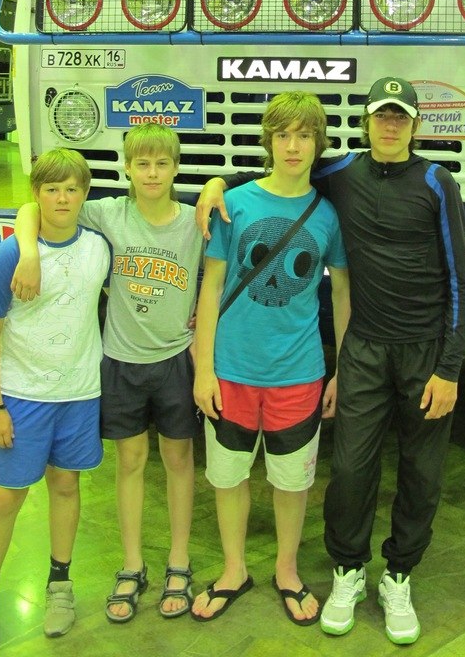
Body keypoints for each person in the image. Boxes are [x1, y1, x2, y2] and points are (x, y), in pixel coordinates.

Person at [196, 76, 465, 646]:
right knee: (349, 470)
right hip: (365, 348)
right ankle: (348, 571)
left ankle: (398, 576)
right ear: (366, 122)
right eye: (381, 116)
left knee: (422, 472)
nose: (390, 126)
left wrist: (449, 368)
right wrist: (217, 182)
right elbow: (279, 173)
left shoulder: (436, 181)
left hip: (423, 350)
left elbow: (462, 280)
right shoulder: (341, 172)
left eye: (400, 117)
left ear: (414, 124)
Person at [10, 124, 203, 624]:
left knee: (179, 459)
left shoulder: (194, 220)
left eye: (162, 164)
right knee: (131, 461)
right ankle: (132, 563)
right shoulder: (108, 212)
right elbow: (31, 207)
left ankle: (179, 561)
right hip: (120, 360)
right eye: (143, 164)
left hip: (175, 360)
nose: (152, 174)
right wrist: (28, 251)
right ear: (127, 170)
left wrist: (218, 186)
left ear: (176, 168)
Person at [191, 92, 350, 627]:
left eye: (304, 135)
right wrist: (204, 369)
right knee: (227, 476)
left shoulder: (327, 215)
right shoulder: (234, 205)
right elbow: (211, 287)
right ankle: (233, 569)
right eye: (283, 135)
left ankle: (286, 568)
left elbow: (342, 293)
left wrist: (341, 369)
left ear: (318, 143)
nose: (293, 146)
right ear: (269, 142)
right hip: (231, 372)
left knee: (292, 482)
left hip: (298, 374)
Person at [0, 148, 111, 657]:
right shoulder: (11, 255)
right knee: (6, 497)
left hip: (79, 394)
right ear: (36, 194)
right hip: (21, 397)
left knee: (66, 485)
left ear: (84, 194)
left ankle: (60, 584)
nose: (62, 198)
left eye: (71, 189)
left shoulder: (99, 247)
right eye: (51, 189)